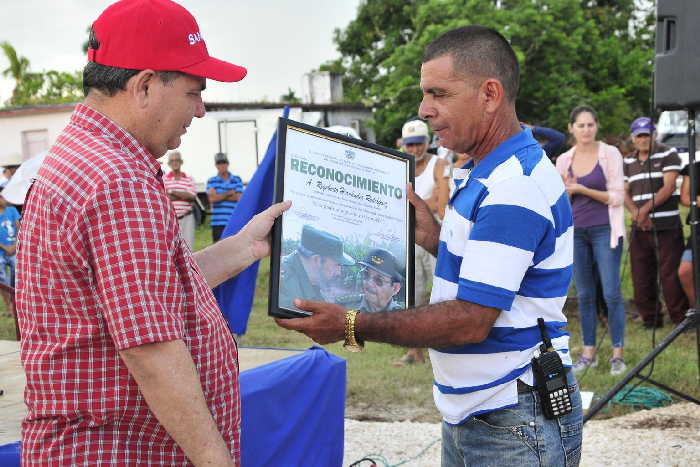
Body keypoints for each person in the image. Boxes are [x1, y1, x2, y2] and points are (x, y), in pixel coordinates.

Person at [276, 25, 582, 466]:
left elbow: (470, 321)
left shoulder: (513, 185)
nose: (425, 109)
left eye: (439, 94)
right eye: (425, 95)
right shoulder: (487, 170)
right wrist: (432, 236)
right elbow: (496, 275)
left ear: (490, 94)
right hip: (485, 413)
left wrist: (352, 323)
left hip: (511, 420)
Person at [15, 0, 290, 465]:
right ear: (144, 85)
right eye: (193, 91)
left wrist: (244, 246)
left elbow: (143, 287)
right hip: (122, 449)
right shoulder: (119, 178)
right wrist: (214, 459)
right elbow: (152, 347)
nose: (201, 110)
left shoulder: (85, 154)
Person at [556, 105, 627, 375]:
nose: (586, 130)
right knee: (584, 295)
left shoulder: (610, 154)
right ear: (571, 128)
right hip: (576, 232)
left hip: (604, 230)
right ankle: (589, 353)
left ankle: (617, 354)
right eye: (580, 125)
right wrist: (569, 193)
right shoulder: (563, 160)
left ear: (597, 126)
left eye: (590, 125)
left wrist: (584, 189)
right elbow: (561, 201)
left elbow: (618, 197)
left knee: (611, 293)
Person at [394, 119, 449, 366]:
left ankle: (443, 352)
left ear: (428, 142)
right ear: (402, 145)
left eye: (419, 143)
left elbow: (443, 204)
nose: (415, 149)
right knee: (411, 297)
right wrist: (425, 201)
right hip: (409, 239)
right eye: (410, 145)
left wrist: (412, 204)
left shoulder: (439, 164)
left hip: (436, 237)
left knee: (442, 295)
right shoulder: (398, 168)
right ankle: (414, 351)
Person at [623, 117, 688, 328]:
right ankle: (651, 319)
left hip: (667, 226)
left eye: (647, 135)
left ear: (654, 135)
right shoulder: (628, 162)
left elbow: (669, 187)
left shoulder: (668, 153)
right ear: (633, 138)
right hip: (640, 228)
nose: (644, 139)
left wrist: (644, 210)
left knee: (670, 276)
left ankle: (680, 318)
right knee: (641, 276)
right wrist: (636, 213)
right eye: (639, 136)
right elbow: (623, 192)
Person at [279, 224, 355, 310]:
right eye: (337, 265)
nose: (339, 272)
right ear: (317, 260)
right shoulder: (285, 284)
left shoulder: (312, 279)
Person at [207, 152, 244, 242]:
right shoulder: (211, 180)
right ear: (216, 165)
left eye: (223, 162)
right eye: (219, 163)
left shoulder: (237, 179)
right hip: (217, 222)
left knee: (234, 249)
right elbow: (212, 199)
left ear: (227, 164)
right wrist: (229, 193)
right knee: (218, 251)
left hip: (233, 220)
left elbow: (238, 198)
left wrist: (219, 195)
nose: (221, 165)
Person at [164, 150, 198, 248]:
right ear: (169, 163)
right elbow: (165, 197)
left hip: (187, 218)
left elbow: (192, 197)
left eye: (177, 160)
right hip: (170, 220)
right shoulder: (164, 179)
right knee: (172, 248)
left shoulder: (189, 178)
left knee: (188, 247)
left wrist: (172, 192)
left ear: (181, 162)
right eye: (172, 160)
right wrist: (183, 195)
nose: (175, 162)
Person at [678, 157, 700, 305]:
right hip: (698, 229)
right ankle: (696, 311)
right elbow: (685, 198)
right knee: (685, 271)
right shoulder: (694, 168)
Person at [356, 248, 404, 314]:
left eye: (378, 280)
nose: (369, 283)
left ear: (395, 289)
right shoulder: (347, 307)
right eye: (366, 274)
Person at [0, 194, 19, 286]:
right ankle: (6, 296)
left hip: (14, 249)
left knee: (17, 271)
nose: (4, 199)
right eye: (1, 197)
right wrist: (6, 248)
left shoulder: (12, 210)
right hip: (1, 251)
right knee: (2, 277)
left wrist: (14, 246)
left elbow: (19, 229)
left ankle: (14, 292)